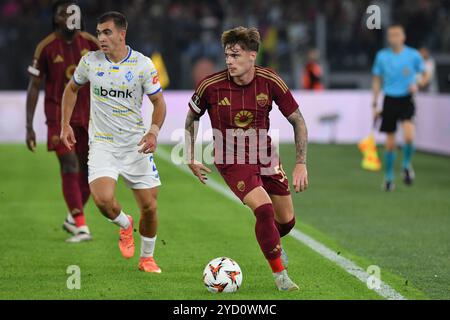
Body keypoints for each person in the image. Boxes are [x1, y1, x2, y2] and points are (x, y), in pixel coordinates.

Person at [185, 26, 308, 291]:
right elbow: (191, 119)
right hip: (231, 158)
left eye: (236, 55)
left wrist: (301, 163)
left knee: (286, 221)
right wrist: (191, 156)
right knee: (264, 210)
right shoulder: (211, 85)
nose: (229, 61)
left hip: (265, 155)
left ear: (252, 55)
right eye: (227, 55)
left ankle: (270, 240)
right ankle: (281, 276)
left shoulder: (270, 80)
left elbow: (298, 120)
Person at [61, 11, 167, 273]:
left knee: (150, 208)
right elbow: (71, 89)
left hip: (135, 145)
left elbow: (158, 102)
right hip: (103, 143)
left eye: (107, 32)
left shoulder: (142, 65)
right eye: (98, 33)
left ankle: (147, 259)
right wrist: (65, 124)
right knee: (103, 200)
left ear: (122, 34)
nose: (101, 38)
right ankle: (125, 224)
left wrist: (153, 131)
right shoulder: (90, 62)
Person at [26, 0, 98, 242]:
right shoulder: (45, 47)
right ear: (55, 18)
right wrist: (29, 126)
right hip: (58, 117)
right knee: (69, 165)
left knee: (89, 171)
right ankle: (81, 225)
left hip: (89, 118)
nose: (69, 17)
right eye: (64, 13)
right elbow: (35, 86)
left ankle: (72, 217)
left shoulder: (91, 43)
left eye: (73, 13)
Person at [372, 24, 430, 191]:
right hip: (389, 99)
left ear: (403, 37)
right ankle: (389, 178)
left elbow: (426, 74)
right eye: (391, 35)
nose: (394, 38)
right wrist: (375, 104)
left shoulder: (413, 55)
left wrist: (418, 84)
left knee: (409, 136)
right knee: (390, 144)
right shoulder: (382, 56)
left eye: (397, 34)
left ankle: (406, 165)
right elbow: (376, 80)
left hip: (406, 99)